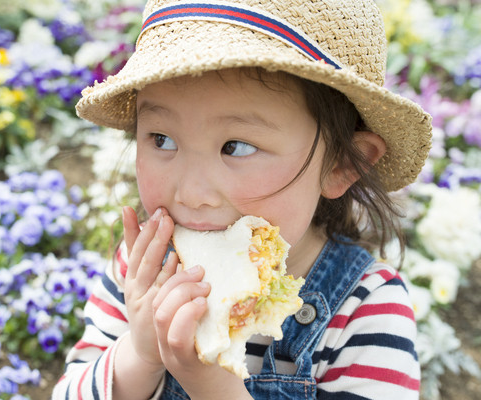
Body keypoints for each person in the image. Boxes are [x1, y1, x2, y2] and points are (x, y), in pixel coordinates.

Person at [52, 0, 432, 399]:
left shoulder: (366, 309)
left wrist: (214, 386)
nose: (191, 194)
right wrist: (141, 355)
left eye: (235, 147)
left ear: (339, 165)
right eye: (162, 140)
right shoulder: (144, 270)